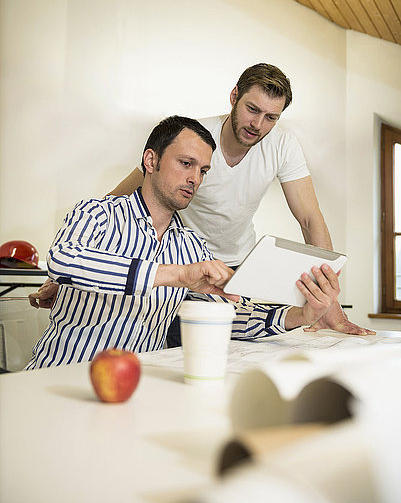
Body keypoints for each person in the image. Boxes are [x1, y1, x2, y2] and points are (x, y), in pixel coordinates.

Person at [26, 116, 351, 369]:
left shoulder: (192, 247)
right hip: (62, 375)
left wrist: (301, 315)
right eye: (185, 164)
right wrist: (176, 275)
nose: (195, 178)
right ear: (150, 162)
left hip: (138, 392)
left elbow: (229, 317)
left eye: (204, 170)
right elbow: (63, 261)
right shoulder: (97, 214)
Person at [102, 63, 374, 342]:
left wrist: (328, 300)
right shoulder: (195, 139)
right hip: (183, 262)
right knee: (178, 343)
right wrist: (72, 277)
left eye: (271, 117)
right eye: (252, 110)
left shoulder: (283, 145)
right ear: (234, 97)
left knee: (235, 344)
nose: (258, 125)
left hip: (238, 269)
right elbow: (123, 197)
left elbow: (309, 218)